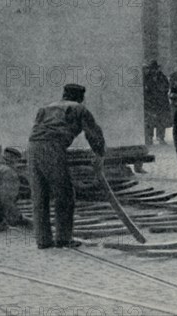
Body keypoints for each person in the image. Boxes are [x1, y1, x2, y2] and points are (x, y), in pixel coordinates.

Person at [27, 84, 106, 249]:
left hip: (32, 148)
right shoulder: (78, 108)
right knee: (64, 193)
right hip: (53, 147)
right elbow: (93, 133)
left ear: (64, 94)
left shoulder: (45, 107)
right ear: (81, 98)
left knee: (40, 195)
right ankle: (63, 238)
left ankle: (43, 241)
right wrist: (99, 154)